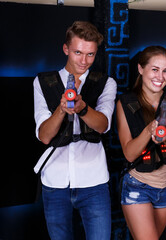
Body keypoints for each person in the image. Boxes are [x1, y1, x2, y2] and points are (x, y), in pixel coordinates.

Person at [33, 21, 117, 240]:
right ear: (66, 49)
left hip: (94, 181)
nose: (84, 61)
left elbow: (103, 125)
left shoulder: (106, 83)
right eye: (78, 52)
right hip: (54, 181)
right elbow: (44, 136)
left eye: (90, 54)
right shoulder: (43, 82)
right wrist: (61, 110)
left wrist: (82, 107)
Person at [116, 46, 166, 240]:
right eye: (154, 69)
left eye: (165, 71)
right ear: (141, 69)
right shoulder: (125, 102)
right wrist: (149, 130)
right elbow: (129, 154)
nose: (160, 76)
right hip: (137, 184)